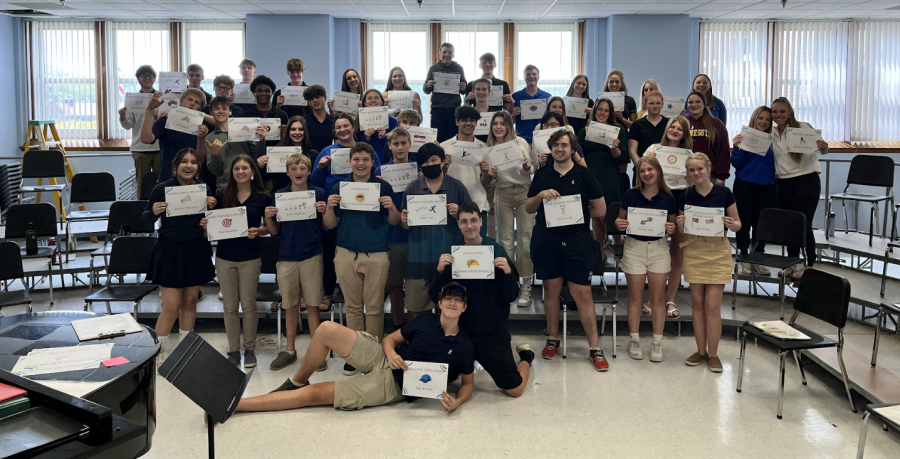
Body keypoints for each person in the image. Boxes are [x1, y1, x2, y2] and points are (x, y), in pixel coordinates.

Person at [237, 282, 475, 413]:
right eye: (448, 299)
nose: (452, 303)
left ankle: (237, 405)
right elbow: (388, 340)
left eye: (458, 300)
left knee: (315, 395)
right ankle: (297, 381)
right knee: (327, 329)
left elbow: (468, 384)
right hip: (384, 358)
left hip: (393, 386)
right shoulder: (424, 321)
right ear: (441, 303)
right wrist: (391, 354)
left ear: (464, 307)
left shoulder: (464, 345)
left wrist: (457, 403)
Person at [430, 202, 535, 397]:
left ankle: (526, 357)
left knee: (515, 389)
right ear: (459, 225)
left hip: (491, 333)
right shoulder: (453, 253)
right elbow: (434, 296)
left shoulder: (496, 251)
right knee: (443, 380)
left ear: (481, 222)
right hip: (459, 332)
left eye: (473, 221)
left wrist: (507, 273)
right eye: (464, 222)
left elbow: (511, 296)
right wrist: (439, 271)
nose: (469, 226)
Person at [526, 129, 609, 371]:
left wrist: (575, 216)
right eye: (555, 146)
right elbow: (530, 208)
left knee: (582, 293)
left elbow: (601, 209)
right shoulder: (542, 174)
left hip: (578, 240)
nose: (560, 149)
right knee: (551, 290)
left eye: (564, 145)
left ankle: (594, 347)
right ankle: (553, 339)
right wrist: (541, 194)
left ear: (573, 149)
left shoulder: (585, 174)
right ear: (550, 149)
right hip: (546, 239)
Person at [323, 143, 400, 375]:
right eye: (356, 159)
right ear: (350, 161)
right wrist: (328, 207)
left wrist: (392, 207)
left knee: (375, 307)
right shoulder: (340, 187)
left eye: (366, 159)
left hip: (376, 253)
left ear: (372, 162)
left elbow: (395, 221)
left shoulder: (383, 186)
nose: (360, 163)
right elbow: (329, 225)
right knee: (353, 308)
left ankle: (374, 353)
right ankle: (355, 355)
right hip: (346, 253)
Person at [142, 148, 216, 365]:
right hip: (169, 250)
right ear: (175, 166)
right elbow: (145, 217)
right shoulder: (162, 188)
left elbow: (211, 221)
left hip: (195, 249)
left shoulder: (204, 189)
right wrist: (153, 211)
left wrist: (211, 211)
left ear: (197, 167)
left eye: (193, 162)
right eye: (184, 161)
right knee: (171, 306)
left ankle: (186, 347)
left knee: (190, 302)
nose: (189, 165)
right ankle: (156, 352)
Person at [676, 152, 741, 373]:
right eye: (692, 170)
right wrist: (680, 223)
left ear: (708, 168)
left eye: (699, 169)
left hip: (718, 252)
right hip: (695, 251)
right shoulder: (685, 196)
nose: (696, 173)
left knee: (712, 307)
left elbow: (738, 224)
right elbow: (682, 231)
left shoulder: (724, 193)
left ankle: (713, 354)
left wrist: (732, 224)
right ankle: (700, 351)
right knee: (696, 305)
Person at [201, 155, 269, 367]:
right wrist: (206, 224)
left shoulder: (262, 197)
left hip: (250, 257)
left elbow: (270, 228)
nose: (241, 171)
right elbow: (212, 229)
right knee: (230, 307)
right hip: (225, 258)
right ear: (232, 173)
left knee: (249, 305)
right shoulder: (222, 196)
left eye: (245, 168)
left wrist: (260, 231)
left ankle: (249, 349)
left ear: (252, 172)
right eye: (236, 168)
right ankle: (233, 350)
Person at [264, 153, 329, 372]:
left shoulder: (318, 194)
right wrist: (268, 217)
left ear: (309, 171)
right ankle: (289, 350)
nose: (298, 171)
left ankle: (316, 352)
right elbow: (274, 232)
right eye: (294, 168)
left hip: (312, 254)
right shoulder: (279, 195)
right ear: (288, 172)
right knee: (289, 304)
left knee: (313, 305)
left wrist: (325, 210)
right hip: (287, 256)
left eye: (303, 168)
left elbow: (328, 226)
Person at [398, 144, 471, 321]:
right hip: (418, 257)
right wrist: (404, 220)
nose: (430, 164)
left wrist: (459, 215)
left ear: (442, 161)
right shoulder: (412, 188)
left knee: (449, 311)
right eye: (425, 162)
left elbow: (471, 224)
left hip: (450, 258)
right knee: (415, 311)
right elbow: (405, 226)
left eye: (434, 160)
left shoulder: (457, 187)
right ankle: (417, 346)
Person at [615, 155, 677, 362]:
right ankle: (634, 339)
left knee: (658, 299)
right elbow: (619, 219)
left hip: (659, 249)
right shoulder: (631, 195)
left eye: (650, 170)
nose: (647, 174)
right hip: (634, 248)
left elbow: (673, 226)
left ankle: (657, 342)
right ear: (638, 174)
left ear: (658, 171)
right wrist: (619, 224)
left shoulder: (668, 198)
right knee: (635, 298)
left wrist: (672, 227)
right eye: (642, 171)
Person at [771, 97, 829, 281]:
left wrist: (824, 147)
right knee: (789, 225)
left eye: (782, 111)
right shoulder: (769, 133)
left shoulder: (804, 127)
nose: (778, 115)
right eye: (774, 112)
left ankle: (809, 264)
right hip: (782, 183)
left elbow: (823, 150)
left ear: (789, 112)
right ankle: (793, 263)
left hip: (806, 181)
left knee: (804, 224)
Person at [643, 115, 693, 319]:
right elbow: (642, 172)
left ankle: (670, 298)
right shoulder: (654, 148)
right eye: (672, 127)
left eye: (679, 129)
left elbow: (693, 179)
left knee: (677, 252)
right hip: (659, 197)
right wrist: (652, 159)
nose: (674, 131)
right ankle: (653, 299)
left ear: (685, 134)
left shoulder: (690, 154)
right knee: (657, 251)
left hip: (682, 198)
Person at [485, 111, 536, 307]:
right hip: (502, 193)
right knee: (504, 240)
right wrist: (491, 174)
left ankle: (526, 285)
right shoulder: (489, 149)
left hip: (524, 192)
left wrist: (527, 168)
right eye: (495, 123)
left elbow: (532, 168)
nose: (498, 127)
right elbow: (490, 180)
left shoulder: (521, 142)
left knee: (525, 239)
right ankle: (508, 282)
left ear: (509, 126)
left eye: (502, 123)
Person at [375, 129, 416, 330]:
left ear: (410, 144)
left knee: (417, 286)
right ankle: (399, 327)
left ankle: (419, 327)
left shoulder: (421, 173)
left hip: (417, 237)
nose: (399, 148)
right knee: (395, 286)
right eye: (395, 144)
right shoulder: (379, 173)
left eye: (403, 143)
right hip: (391, 237)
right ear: (389, 146)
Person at [731, 106, 776, 275]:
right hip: (744, 185)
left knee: (761, 224)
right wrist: (736, 147)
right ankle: (744, 257)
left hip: (766, 187)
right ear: (754, 118)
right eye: (761, 118)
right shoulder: (745, 137)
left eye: (768, 119)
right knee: (744, 222)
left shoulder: (774, 140)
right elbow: (737, 164)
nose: (764, 122)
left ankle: (758, 257)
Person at [578, 97, 629, 246]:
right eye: (600, 109)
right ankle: (599, 253)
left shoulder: (618, 130)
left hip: (610, 174)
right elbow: (579, 153)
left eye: (606, 110)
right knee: (595, 215)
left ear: (610, 113)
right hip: (590, 173)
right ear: (594, 110)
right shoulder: (584, 130)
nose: (602, 113)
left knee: (609, 213)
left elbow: (622, 158)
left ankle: (619, 241)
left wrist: (614, 148)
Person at [198, 96, 266, 194]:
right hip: (224, 188)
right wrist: (215, 154)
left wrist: (261, 141)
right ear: (211, 112)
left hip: (249, 185)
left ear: (230, 112)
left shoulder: (244, 130)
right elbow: (216, 171)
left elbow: (257, 159)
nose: (221, 111)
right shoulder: (209, 138)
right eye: (216, 108)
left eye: (224, 108)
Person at [140, 89, 207, 183]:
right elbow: (146, 139)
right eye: (190, 99)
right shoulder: (165, 120)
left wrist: (201, 138)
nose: (192, 103)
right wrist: (149, 110)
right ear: (181, 101)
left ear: (200, 108)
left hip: (193, 180)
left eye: (197, 102)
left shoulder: (202, 128)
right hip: (167, 178)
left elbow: (201, 159)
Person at [441, 106, 490, 231]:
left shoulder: (484, 148)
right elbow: (438, 180)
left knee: (478, 248)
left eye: (472, 120)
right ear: (457, 121)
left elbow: (486, 183)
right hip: (450, 206)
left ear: (476, 123)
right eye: (464, 120)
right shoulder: (444, 147)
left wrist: (485, 173)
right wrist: (444, 168)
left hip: (477, 204)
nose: (468, 123)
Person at [119, 64, 160, 193]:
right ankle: (142, 210)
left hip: (160, 147)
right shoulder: (132, 99)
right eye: (144, 75)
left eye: (150, 75)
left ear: (154, 78)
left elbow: (169, 123)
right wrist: (122, 118)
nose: (147, 78)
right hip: (140, 148)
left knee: (161, 182)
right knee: (141, 183)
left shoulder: (162, 97)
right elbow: (128, 125)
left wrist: (157, 117)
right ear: (138, 78)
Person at [258, 115, 318, 193]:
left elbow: (316, 180)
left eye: (301, 129)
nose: (297, 132)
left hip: (306, 198)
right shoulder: (276, 153)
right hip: (281, 198)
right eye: (293, 129)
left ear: (305, 131)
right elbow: (266, 179)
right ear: (288, 131)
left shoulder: (313, 155)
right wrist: (260, 167)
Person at [424, 43, 467, 142]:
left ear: (453, 55)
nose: (447, 54)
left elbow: (464, 91)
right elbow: (426, 90)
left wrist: (463, 87)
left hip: (454, 110)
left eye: (450, 52)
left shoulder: (459, 68)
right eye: (444, 52)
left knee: (453, 139)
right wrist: (428, 85)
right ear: (439, 54)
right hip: (437, 110)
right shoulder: (433, 69)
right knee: (438, 139)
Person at [685, 90, 730, 185]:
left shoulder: (717, 124)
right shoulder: (683, 123)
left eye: (698, 102)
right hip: (685, 174)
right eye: (690, 102)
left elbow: (723, 152)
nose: (694, 104)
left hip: (710, 175)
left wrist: (721, 177)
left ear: (705, 104)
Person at [628, 90, 668, 183]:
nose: (655, 106)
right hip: (642, 173)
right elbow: (632, 151)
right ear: (645, 105)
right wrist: (642, 168)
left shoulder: (669, 124)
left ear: (662, 105)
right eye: (651, 103)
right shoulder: (637, 125)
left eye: (658, 103)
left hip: (664, 171)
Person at [243, 75, 289, 148]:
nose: (263, 93)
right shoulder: (246, 115)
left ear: (272, 93)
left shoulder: (282, 115)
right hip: (253, 156)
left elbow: (287, 141)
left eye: (267, 91)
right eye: (259, 90)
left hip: (276, 155)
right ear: (253, 92)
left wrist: (286, 134)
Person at [357, 89, 399, 164]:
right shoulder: (358, 122)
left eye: (376, 98)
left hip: (387, 162)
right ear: (364, 103)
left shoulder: (392, 121)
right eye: (369, 98)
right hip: (366, 163)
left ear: (382, 102)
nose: (373, 100)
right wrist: (367, 139)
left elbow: (397, 146)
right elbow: (357, 147)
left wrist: (385, 138)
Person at [511, 65, 551, 143]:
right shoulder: (515, 96)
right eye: (528, 74)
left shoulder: (547, 97)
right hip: (522, 139)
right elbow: (510, 122)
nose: (531, 76)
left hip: (542, 138)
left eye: (534, 74)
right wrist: (513, 114)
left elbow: (552, 120)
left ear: (538, 76)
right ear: (524, 77)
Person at [302, 85, 335, 152]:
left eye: (317, 97)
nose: (315, 100)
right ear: (308, 102)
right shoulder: (303, 121)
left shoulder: (333, 121)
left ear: (325, 98)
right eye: (311, 99)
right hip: (308, 160)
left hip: (328, 158)